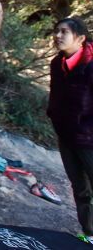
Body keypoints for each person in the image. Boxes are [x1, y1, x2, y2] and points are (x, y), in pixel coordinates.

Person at [47, 17, 93, 242]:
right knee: (80, 188)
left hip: (90, 139)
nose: (58, 36)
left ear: (81, 38)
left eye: (64, 32)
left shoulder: (91, 65)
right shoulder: (57, 63)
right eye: (56, 31)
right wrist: (55, 118)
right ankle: (90, 233)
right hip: (67, 137)